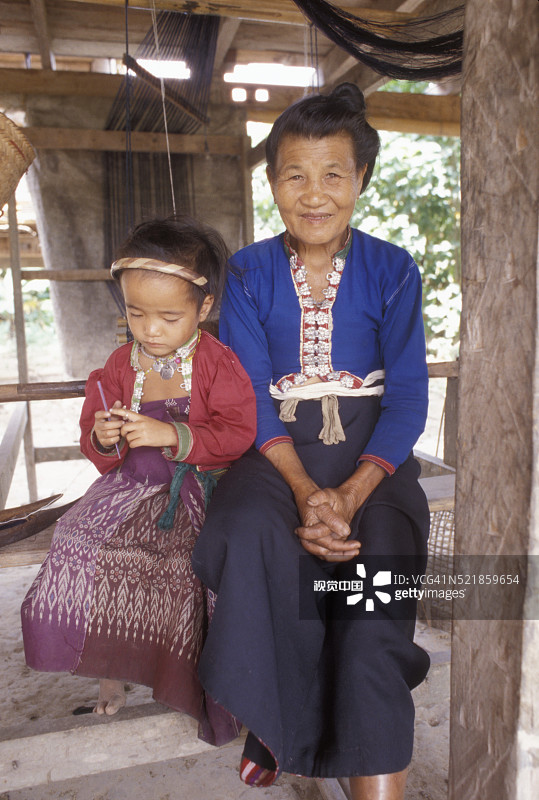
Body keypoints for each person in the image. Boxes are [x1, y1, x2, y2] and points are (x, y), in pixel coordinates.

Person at [191, 83, 431, 798]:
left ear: (360, 178)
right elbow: (247, 396)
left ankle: (339, 737)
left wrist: (354, 493)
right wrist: (304, 494)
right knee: (246, 533)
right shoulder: (246, 273)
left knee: (373, 597)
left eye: (333, 174)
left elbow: (409, 397)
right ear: (270, 182)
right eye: (294, 174)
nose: (314, 193)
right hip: (275, 455)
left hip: (374, 462)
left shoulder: (392, 270)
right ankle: (275, 719)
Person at [21, 215, 256, 743]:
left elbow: (238, 433)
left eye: (169, 316)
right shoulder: (119, 365)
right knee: (82, 542)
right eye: (136, 313)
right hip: (130, 485)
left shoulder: (219, 365)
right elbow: (95, 436)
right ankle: (111, 672)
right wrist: (106, 437)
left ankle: (182, 678)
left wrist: (171, 434)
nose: (150, 329)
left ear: (205, 307)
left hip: (195, 488)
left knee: (179, 563)